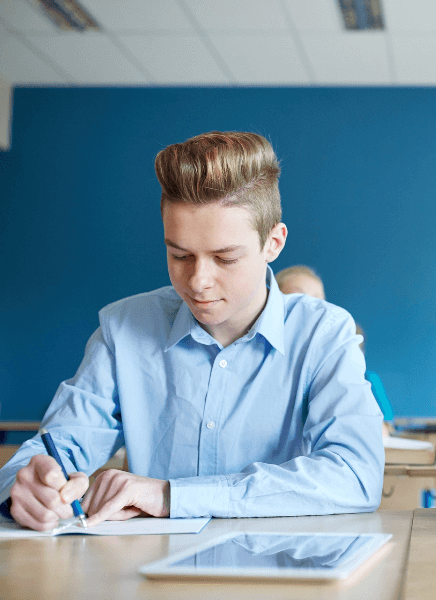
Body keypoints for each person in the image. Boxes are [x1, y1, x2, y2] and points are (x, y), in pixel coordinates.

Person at [0, 131, 384, 531]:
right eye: (179, 255)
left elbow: (356, 475)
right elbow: (57, 447)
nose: (198, 281)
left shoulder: (324, 332)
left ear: (273, 243)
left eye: (225, 258)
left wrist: (172, 496)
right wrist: (27, 486)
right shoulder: (124, 328)